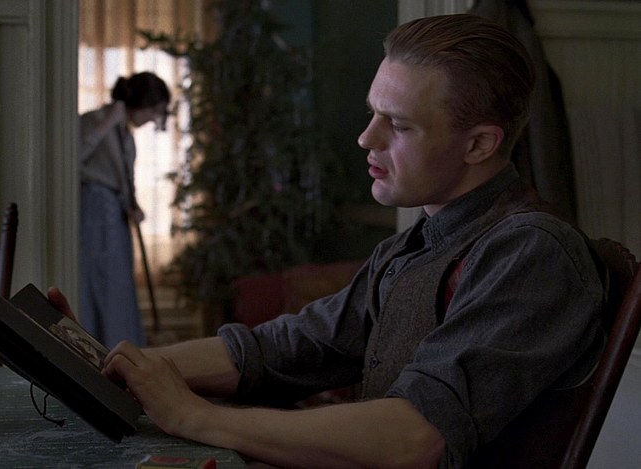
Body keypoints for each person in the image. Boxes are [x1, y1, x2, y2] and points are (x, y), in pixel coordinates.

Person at [53, 14, 606, 468]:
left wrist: (195, 416)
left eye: (399, 125)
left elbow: (416, 438)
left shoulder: (531, 253)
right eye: (372, 113)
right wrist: (120, 367)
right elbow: (293, 347)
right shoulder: (415, 244)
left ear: (480, 144)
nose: (366, 138)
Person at [77, 72, 171, 348]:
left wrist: (133, 205)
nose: (153, 118)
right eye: (153, 110)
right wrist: (106, 124)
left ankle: (121, 352)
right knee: (99, 287)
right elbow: (71, 158)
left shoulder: (126, 135)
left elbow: (123, 177)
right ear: (142, 102)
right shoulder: (94, 121)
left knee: (117, 289)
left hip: (114, 218)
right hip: (94, 216)